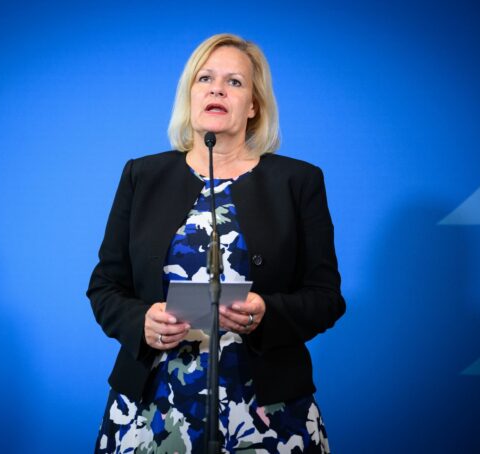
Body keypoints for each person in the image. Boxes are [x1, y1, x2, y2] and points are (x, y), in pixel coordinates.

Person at [86, 33, 346, 453]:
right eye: (205, 79)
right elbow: (105, 287)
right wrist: (141, 322)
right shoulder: (142, 176)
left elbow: (326, 297)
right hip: (154, 407)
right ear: (190, 95)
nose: (217, 89)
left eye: (234, 82)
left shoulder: (298, 182)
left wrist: (268, 312)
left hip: (266, 409)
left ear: (254, 105)